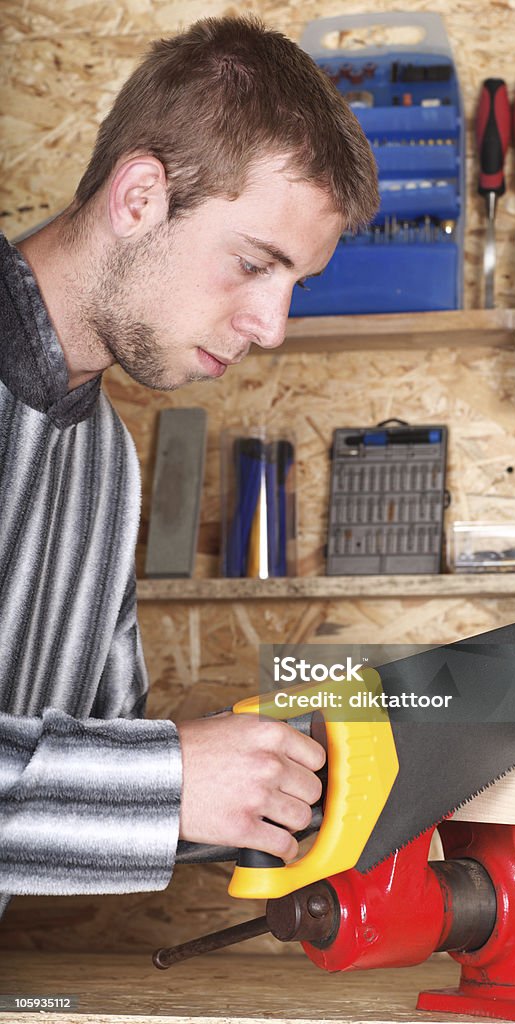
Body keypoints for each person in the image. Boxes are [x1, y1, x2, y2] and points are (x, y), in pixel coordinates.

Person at [0, 15, 379, 915]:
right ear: (138, 198)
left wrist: (292, 780)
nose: (271, 326)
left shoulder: (105, 463)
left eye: (295, 285)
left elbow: (102, 744)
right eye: (251, 263)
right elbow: (140, 779)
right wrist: (167, 779)